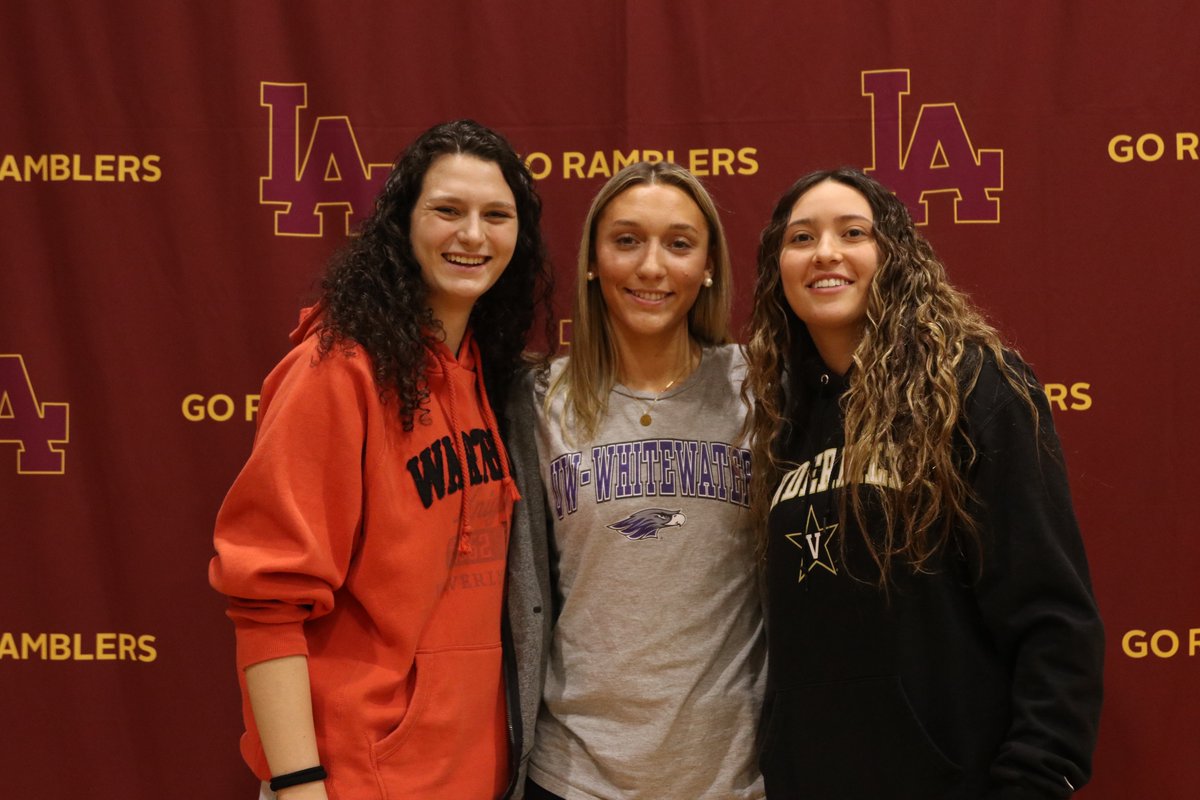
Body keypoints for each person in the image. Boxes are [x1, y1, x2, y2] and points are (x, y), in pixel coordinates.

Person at [209, 119, 552, 800]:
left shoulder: (484, 373)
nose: (473, 236)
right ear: (402, 223)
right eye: (447, 211)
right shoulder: (336, 370)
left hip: (472, 772)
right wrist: (300, 785)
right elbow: (268, 602)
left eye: (496, 216)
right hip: (357, 777)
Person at [744, 167, 1104, 799]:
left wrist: (1036, 778)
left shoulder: (976, 387)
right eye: (801, 238)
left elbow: (1053, 614)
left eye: (852, 232)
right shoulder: (780, 416)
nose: (825, 252)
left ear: (894, 254)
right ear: (779, 267)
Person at [508, 161, 766, 800]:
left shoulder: (761, 389)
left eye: (679, 244)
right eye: (626, 241)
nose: (652, 268)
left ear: (708, 266)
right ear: (593, 260)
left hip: (733, 778)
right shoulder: (537, 400)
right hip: (573, 776)